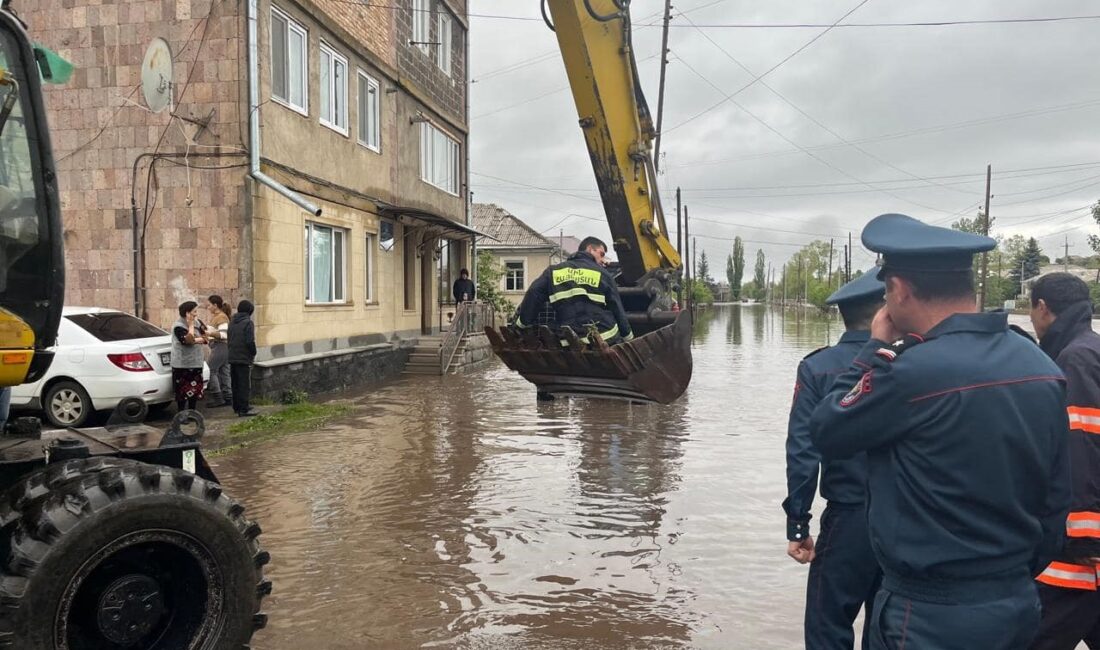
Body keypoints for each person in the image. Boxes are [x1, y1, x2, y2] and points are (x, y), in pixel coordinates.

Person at [809, 213, 1071, 650]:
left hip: (928, 612)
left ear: (898, 290)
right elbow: (1056, 497)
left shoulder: (909, 373)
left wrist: (872, 350)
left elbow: (828, 429)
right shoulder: (1040, 366)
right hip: (1016, 604)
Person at [784, 271, 885, 650]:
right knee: (891, 627)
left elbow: (803, 450)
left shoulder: (819, 368)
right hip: (909, 520)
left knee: (828, 626)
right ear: (884, 312)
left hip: (849, 520)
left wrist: (798, 523)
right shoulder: (914, 363)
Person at [1028, 273, 1100, 650]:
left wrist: (1084, 535)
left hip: (1078, 549)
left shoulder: (1075, 358)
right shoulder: (1091, 348)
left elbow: (1082, 440)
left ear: (1042, 308)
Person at [514, 235, 633, 345]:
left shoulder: (553, 271)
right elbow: (617, 308)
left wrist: (521, 324)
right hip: (605, 337)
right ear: (590, 249)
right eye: (601, 254)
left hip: (568, 339)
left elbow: (533, 294)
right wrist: (629, 338)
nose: (603, 260)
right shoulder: (603, 274)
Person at [171, 301, 208, 413]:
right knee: (182, 392)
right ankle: (181, 414)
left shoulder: (198, 322)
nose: (196, 314)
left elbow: (206, 336)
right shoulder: (178, 326)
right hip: (182, 364)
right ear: (187, 313)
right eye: (194, 312)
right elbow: (187, 340)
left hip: (195, 362)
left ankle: (192, 412)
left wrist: (199, 339)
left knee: (195, 391)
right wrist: (191, 326)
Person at [228, 299, 258, 417]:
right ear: (250, 311)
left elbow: (229, 338)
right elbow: (250, 341)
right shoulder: (248, 323)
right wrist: (253, 352)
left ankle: (236, 407)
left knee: (235, 383)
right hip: (243, 357)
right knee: (244, 384)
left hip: (232, 356)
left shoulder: (232, 321)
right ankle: (244, 409)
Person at [204, 295, 232, 408]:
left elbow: (224, 334)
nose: (208, 307)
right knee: (224, 372)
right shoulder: (218, 316)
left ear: (215, 305)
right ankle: (228, 397)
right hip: (222, 347)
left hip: (220, 346)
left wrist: (209, 333)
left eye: (209, 305)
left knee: (211, 371)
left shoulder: (221, 317)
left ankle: (218, 397)